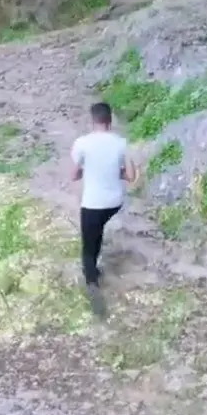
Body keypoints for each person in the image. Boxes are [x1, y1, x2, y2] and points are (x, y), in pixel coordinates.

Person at [71, 101, 137, 289]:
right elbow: (130, 176)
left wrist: (87, 170)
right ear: (110, 121)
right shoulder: (120, 143)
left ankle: (91, 279)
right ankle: (95, 269)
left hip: (93, 203)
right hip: (114, 202)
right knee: (98, 230)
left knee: (88, 242)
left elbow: (74, 175)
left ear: (93, 121)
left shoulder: (82, 143)